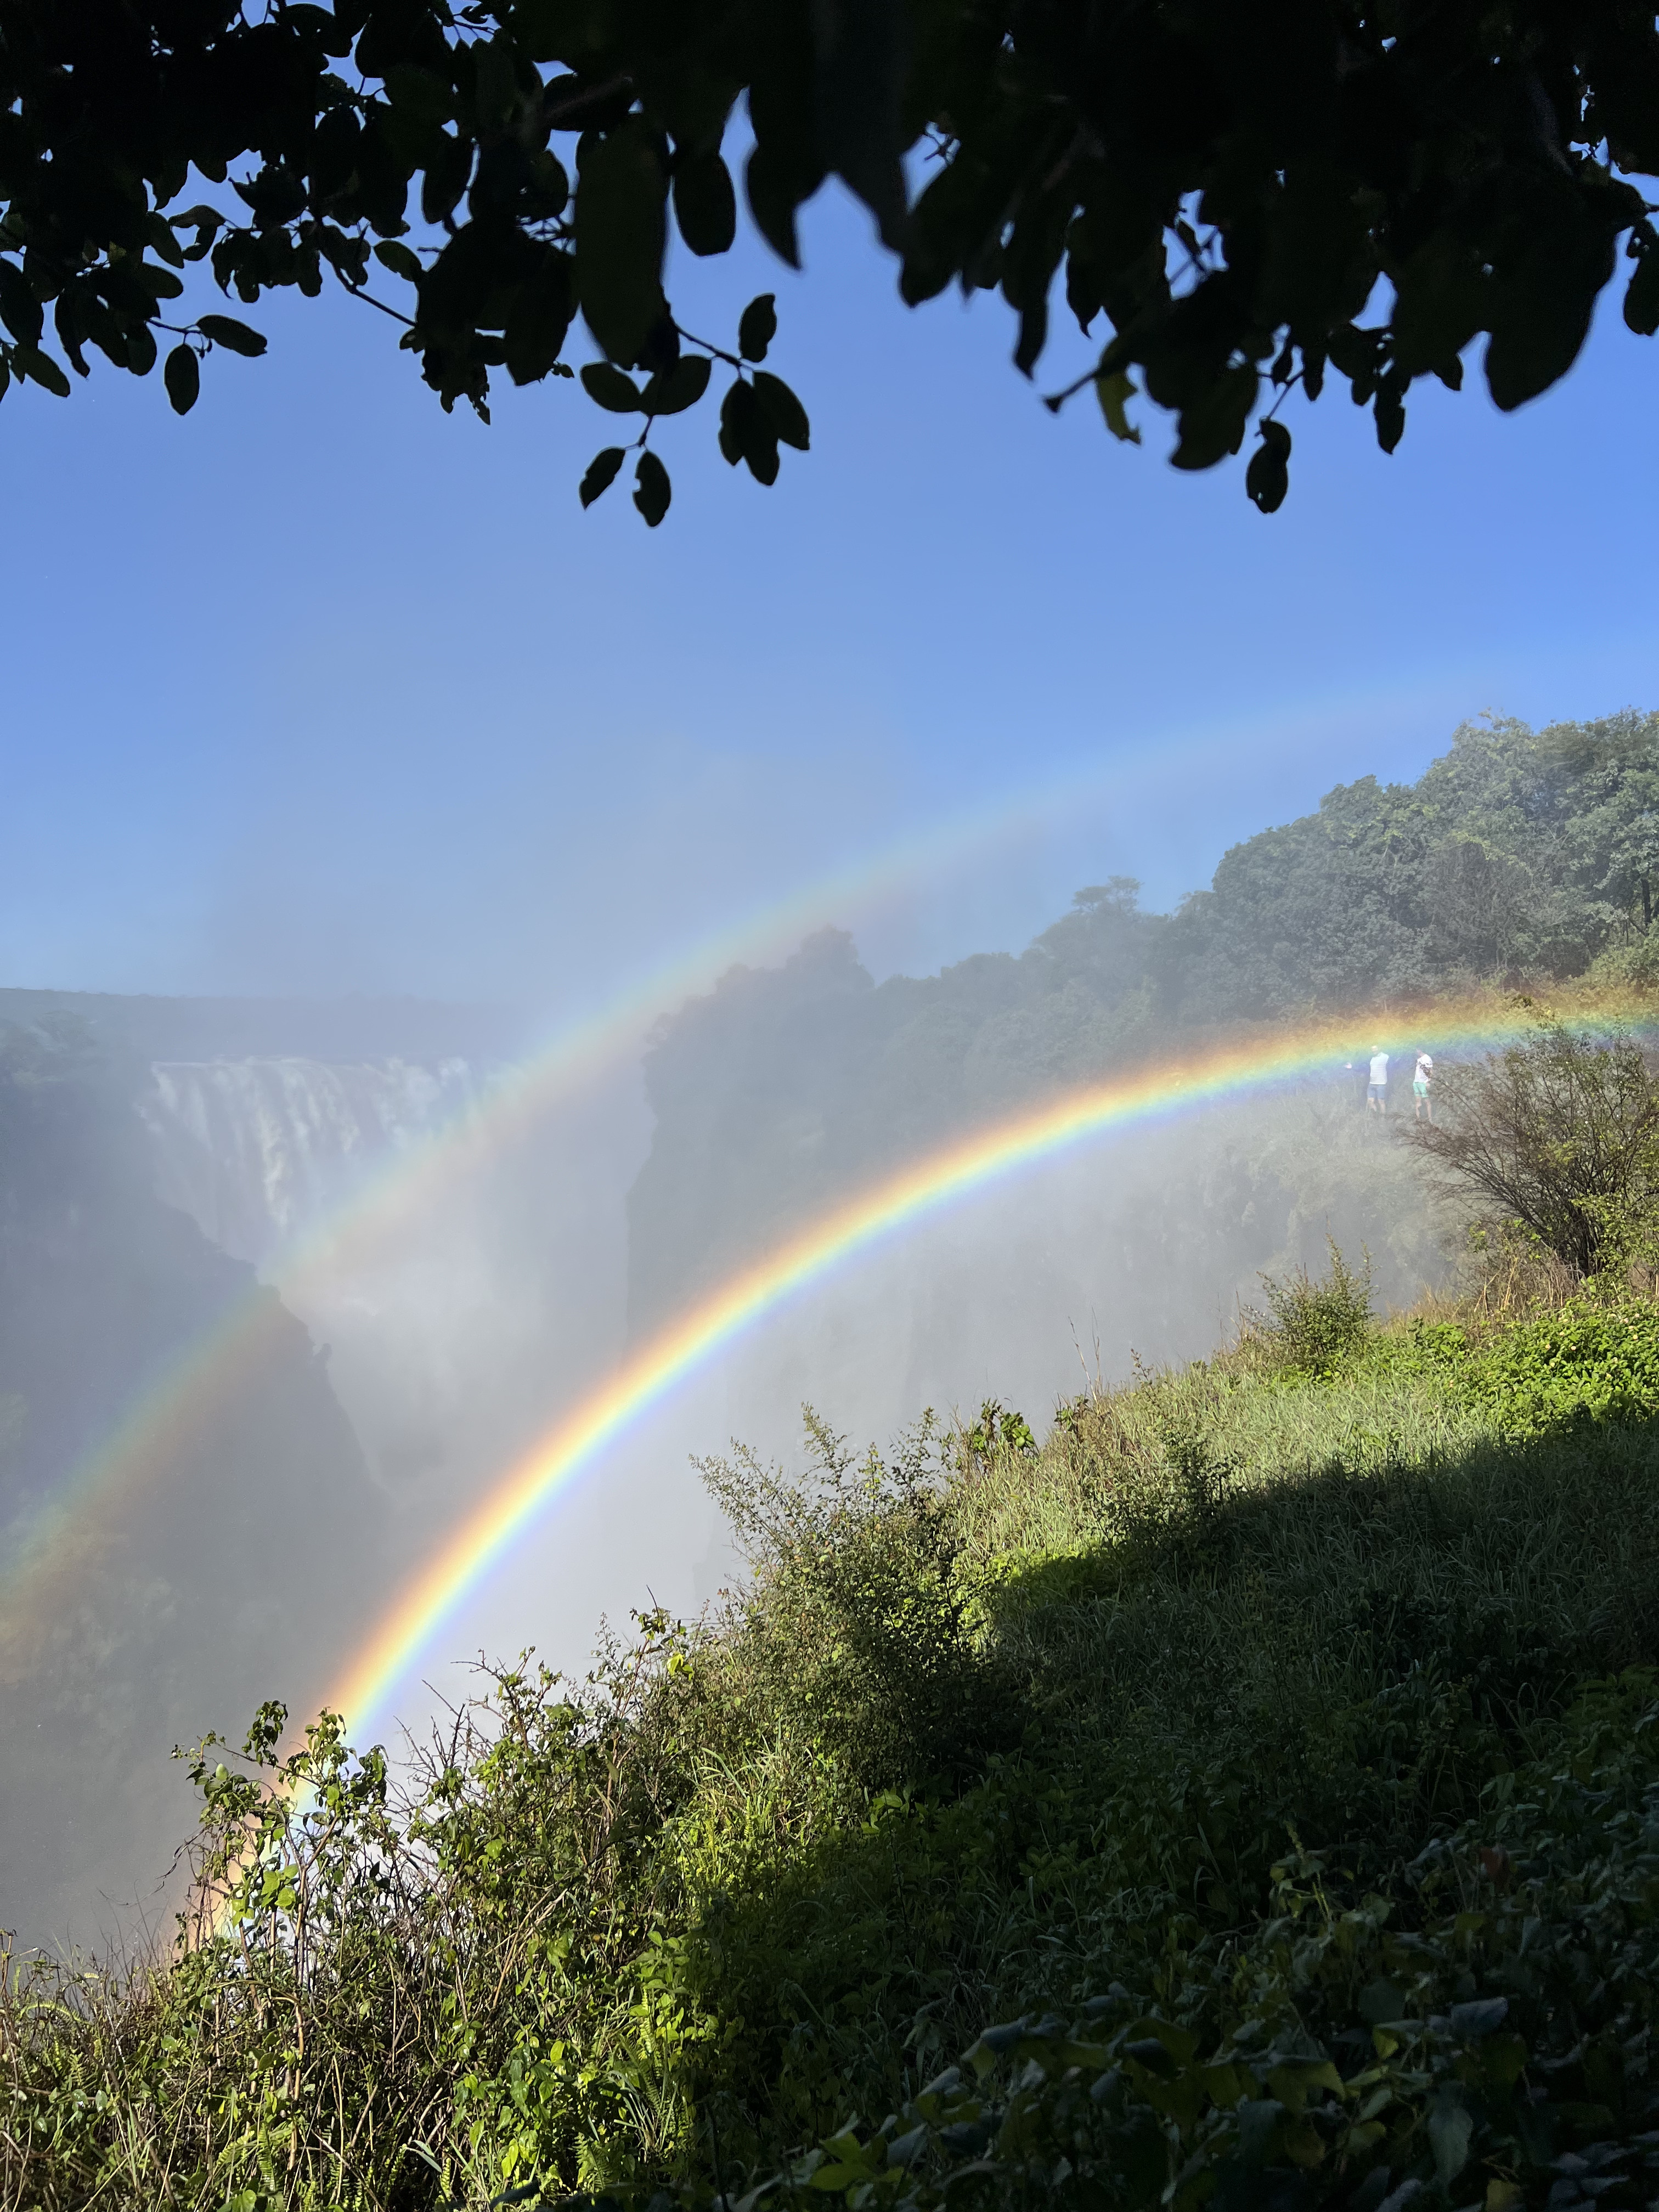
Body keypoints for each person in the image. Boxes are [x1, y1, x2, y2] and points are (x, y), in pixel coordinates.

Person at [1367, 1045, 1390, 1115]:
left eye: (1375, 1049)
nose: (1374, 1050)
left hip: (1381, 1083)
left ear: (1379, 1048)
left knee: (1381, 1102)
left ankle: (1383, 1119)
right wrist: (1352, 1068)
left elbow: (1393, 1065)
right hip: (1372, 1083)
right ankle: (1376, 1116)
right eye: (1372, 1049)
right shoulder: (1372, 1058)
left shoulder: (1386, 1057)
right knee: (1370, 1101)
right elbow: (1364, 1068)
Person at [1413, 1049, 1434, 1121]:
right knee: (1418, 1101)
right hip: (1416, 1082)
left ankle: (1430, 1119)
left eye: (1416, 1050)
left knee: (1427, 1101)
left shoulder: (1427, 1058)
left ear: (1420, 1050)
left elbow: (1430, 1070)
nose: (1415, 1051)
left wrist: (1428, 1081)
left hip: (1423, 1083)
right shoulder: (1418, 1059)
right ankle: (1418, 1120)